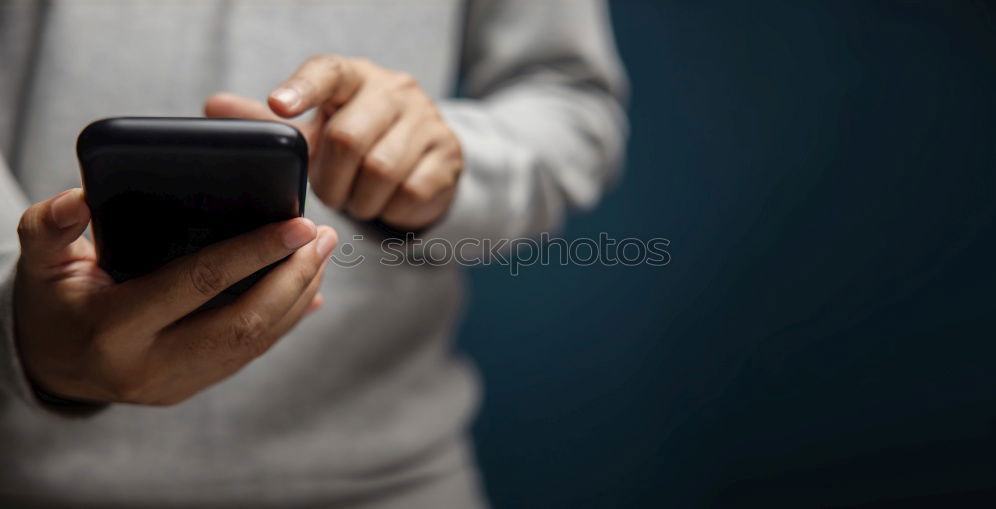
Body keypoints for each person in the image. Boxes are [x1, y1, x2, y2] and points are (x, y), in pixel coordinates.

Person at [0, 0, 627, 506]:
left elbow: (571, 101)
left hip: (391, 479)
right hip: (28, 476)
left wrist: (444, 159)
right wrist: (12, 301)